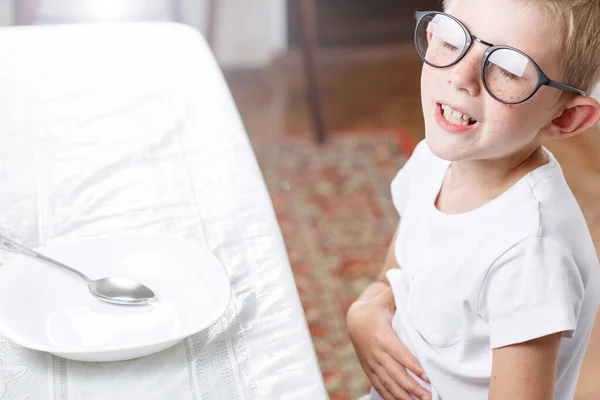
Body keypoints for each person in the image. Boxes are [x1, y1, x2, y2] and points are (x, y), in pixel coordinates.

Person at [346, 1, 600, 399]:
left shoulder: (531, 252)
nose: (462, 76)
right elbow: (393, 279)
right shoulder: (434, 159)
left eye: (510, 67)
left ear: (565, 118)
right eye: (452, 38)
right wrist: (365, 312)